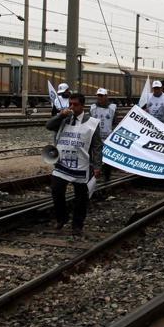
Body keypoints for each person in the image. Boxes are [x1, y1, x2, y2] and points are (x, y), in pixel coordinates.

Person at [46, 93, 103, 236]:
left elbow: (97, 146)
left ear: (82, 106)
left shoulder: (92, 123)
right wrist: (60, 115)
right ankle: (61, 218)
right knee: (56, 190)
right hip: (62, 164)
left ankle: (77, 224)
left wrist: (97, 165)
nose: (72, 107)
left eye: (75, 104)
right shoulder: (64, 119)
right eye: (70, 104)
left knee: (81, 198)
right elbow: (48, 125)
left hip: (81, 166)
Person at [90, 88, 117, 181]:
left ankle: (107, 177)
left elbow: (114, 122)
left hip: (107, 137)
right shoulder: (93, 108)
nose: (99, 97)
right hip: (96, 137)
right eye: (98, 96)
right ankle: (94, 175)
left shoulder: (112, 108)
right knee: (95, 156)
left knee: (107, 158)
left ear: (106, 96)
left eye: (101, 96)